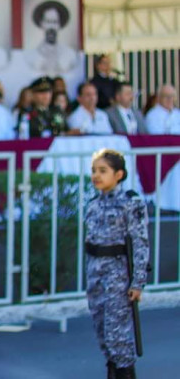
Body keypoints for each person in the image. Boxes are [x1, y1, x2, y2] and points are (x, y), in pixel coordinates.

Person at [86, 149, 148, 378]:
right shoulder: (92, 204)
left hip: (118, 277)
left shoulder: (131, 203)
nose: (96, 176)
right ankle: (112, 371)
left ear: (119, 174)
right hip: (96, 276)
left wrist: (138, 281)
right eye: (94, 171)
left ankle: (125, 374)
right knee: (103, 333)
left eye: (103, 171)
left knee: (118, 336)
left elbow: (140, 244)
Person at [26, 0, 79, 74]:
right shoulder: (31, 55)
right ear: (41, 24)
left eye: (55, 22)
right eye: (48, 21)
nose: (51, 27)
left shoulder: (70, 54)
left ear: (60, 25)